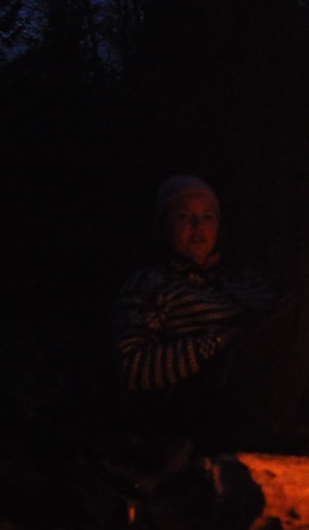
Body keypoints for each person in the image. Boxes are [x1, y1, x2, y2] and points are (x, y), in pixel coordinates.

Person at [111, 175, 278, 465]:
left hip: (271, 382)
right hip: (209, 405)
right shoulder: (151, 283)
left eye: (207, 217)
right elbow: (133, 367)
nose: (198, 226)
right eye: (183, 216)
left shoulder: (245, 280)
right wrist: (216, 343)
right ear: (164, 227)